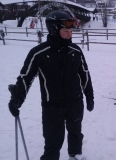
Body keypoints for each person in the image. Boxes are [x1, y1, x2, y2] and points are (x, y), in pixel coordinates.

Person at [8, 11, 94, 160]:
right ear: (54, 30)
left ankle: (75, 156)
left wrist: (89, 96)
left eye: (71, 31)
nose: (69, 35)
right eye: (65, 31)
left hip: (75, 102)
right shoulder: (38, 53)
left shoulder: (76, 51)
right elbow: (25, 77)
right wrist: (17, 99)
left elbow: (85, 74)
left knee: (75, 133)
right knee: (53, 141)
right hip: (52, 106)